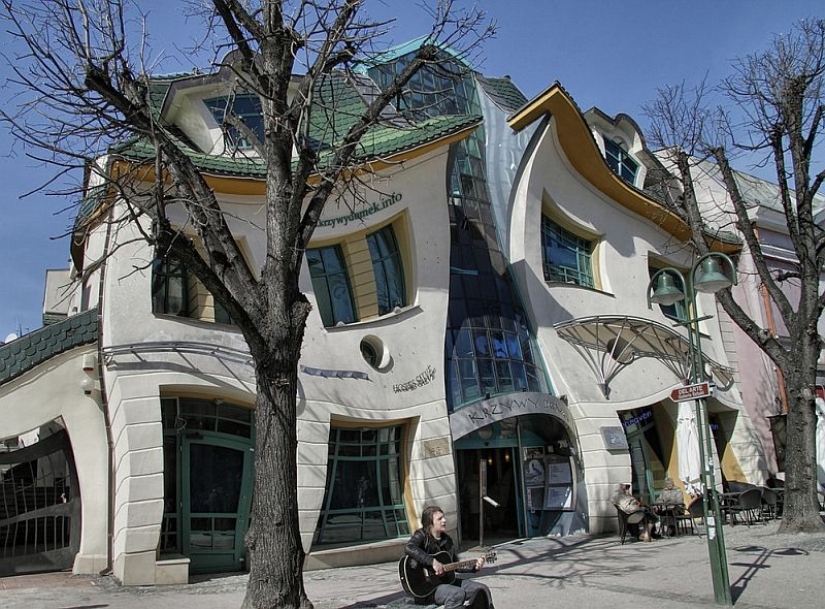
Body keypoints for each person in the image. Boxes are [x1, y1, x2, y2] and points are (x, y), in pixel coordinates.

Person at [404, 505, 494, 609]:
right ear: (430, 523)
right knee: (457, 594)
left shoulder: (447, 540)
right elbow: (409, 547)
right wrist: (432, 562)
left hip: (446, 581)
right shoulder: (421, 535)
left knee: (482, 590)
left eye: (444, 517)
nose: (444, 520)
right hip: (427, 587)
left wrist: (474, 566)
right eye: (439, 519)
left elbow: (455, 565)